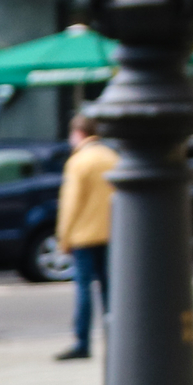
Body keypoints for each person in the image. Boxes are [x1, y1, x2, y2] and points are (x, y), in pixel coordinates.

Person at [55, 113, 115, 361]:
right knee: (110, 290)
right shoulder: (112, 157)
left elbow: (70, 204)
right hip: (110, 234)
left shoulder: (79, 162)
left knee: (83, 290)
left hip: (83, 236)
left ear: (78, 133)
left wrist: (64, 238)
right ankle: (115, 336)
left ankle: (82, 341)